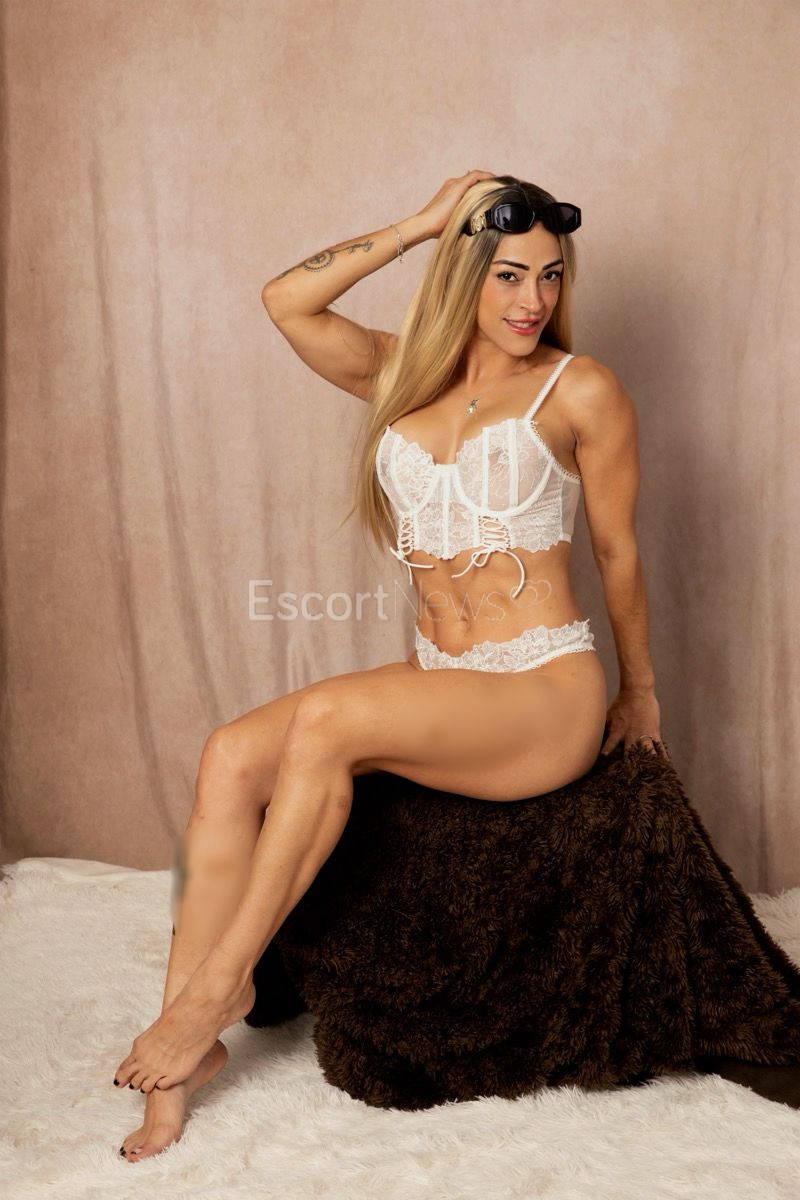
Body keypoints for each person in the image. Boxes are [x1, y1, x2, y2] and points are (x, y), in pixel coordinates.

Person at [116, 170, 669, 1161]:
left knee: (328, 723)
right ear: (464, 272)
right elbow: (286, 299)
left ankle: (216, 992)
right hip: (442, 677)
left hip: (541, 689)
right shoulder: (401, 373)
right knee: (229, 754)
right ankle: (182, 1059)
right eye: (507, 274)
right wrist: (419, 224)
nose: (532, 299)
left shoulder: (578, 387)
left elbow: (619, 552)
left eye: (548, 275)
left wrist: (640, 690)